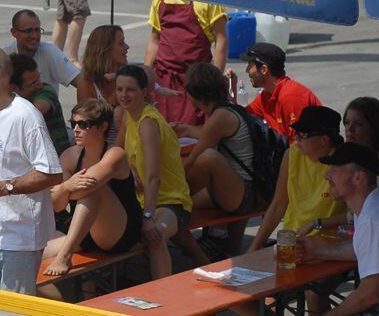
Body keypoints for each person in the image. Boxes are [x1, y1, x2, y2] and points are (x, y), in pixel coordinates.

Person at [0, 45, 62, 295]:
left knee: (13, 311)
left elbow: (52, 173)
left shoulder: (26, 117)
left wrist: (5, 187)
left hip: (21, 237)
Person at [296, 143, 379, 316]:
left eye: (335, 168)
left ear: (358, 178)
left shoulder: (373, 217)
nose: (326, 175)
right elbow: (362, 249)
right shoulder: (373, 207)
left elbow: (368, 296)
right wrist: (316, 251)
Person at [41, 99, 141, 284]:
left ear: (102, 126)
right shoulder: (69, 156)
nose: (76, 129)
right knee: (31, 256)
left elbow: (88, 186)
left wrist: (65, 189)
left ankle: (65, 256)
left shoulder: (115, 154)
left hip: (120, 232)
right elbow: (56, 206)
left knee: (94, 191)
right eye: (73, 123)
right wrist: (66, 187)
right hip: (85, 232)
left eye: (83, 124)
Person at [174, 62, 260, 257]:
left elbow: (193, 161)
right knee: (187, 204)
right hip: (249, 188)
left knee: (207, 159)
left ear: (196, 94)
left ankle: (204, 259)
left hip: (245, 194)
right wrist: (187, 130)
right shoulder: (228, 108)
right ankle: (223, 246)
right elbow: (210, 135)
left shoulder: (220, 117)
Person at [117, 64, 195, 278]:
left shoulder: (148, 123)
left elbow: (153, 177)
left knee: (155, 235)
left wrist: (148, 216)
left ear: (144, 92)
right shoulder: (127, 115)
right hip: (140, 200)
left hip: (170, 202)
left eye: (130, 89)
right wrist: (130, 168)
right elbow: (116, 151)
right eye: (120, 89)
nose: (124, 95)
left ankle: (165, 299)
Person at [248, 106, 346, 252]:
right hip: (291, 241)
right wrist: (253, 249)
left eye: (303, 135)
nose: (297, 138)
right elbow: (277, 205)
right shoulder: (291, 155)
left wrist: (317, 223)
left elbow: (354, 215)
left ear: (324, 139)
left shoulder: (343, 163)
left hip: (327, 245)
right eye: (297, 133)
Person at [143, 0, 227, 126]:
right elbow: (155, 40)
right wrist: (145, 78)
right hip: (163, 80)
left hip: (196, 84)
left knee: (193, 134)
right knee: (161, 130)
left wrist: (214, 81)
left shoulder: (209, 1)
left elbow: (221, 41)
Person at [238, 42, 321, 140]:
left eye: (250, 66)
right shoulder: (267, 95)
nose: (247, 70)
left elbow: (298, 145)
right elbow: (242, 118)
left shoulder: (290, 97)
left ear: (264, 69)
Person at [3, 9, 85, 94]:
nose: (34, 36)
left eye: (37, 30)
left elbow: (81, 82)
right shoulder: (5, 57)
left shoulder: (50, 52)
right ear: (14, 32)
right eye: (28, 31)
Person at [9, 53, 71, 156]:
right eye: (33, 84)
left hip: (56, 157)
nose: (39, 84)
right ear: (13, 87)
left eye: (38, 78)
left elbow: (38, 109)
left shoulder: (45, 91)